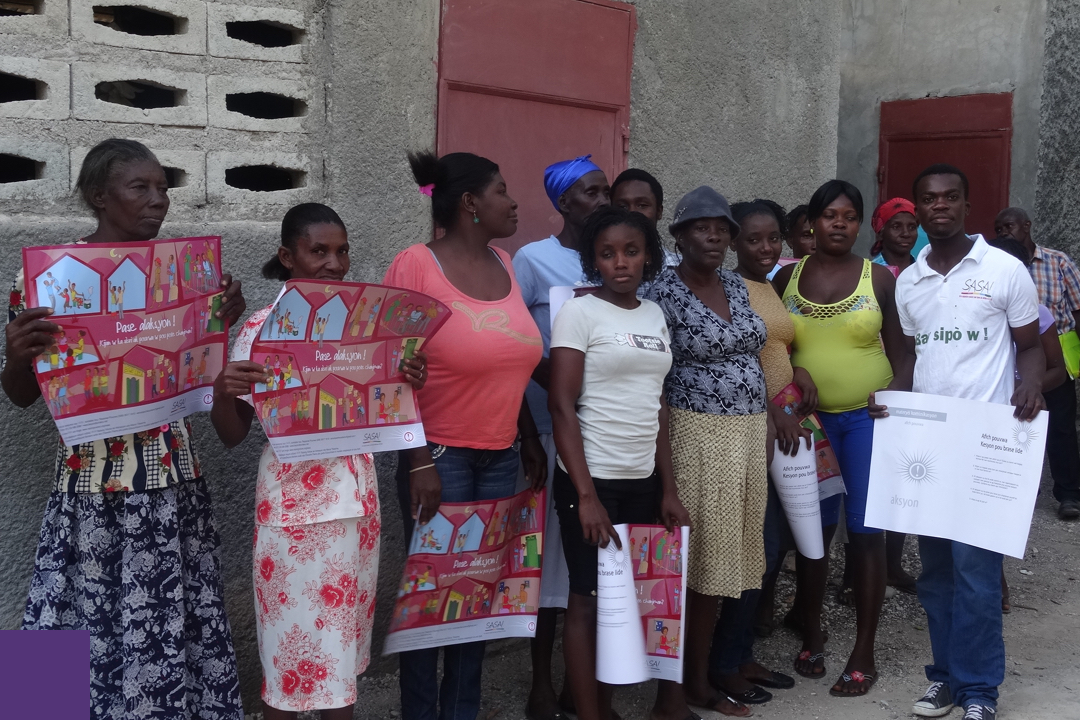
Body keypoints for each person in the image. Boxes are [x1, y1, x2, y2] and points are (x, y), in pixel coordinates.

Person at [2, 138, 246, 719]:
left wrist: (217, 329)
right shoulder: (50, 277)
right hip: (89, 486)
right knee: (66, 614)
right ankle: (38, 708)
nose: (158, 199)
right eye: (141, 187)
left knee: (165, 625)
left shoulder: (188, 276)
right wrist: (14, 356)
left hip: (172, 479)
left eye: (163, 188)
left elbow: (212, 398)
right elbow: (19, 395)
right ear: (98, 197)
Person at [211, 203, 427, 719]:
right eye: (319, 251)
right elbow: (233, 433)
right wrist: (223, 390)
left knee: (340, 662)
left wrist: (406, 378)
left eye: (342, 251)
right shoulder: (263, 329)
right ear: (288, 257)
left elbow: (384, 409)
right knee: (292, 661)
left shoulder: (365, 330)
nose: (334, 263)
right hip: (295, 519)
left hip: (356, 508)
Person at [871, 164, 1045, 720]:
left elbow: (1031, 344)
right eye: (928, 199)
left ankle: (979, 691)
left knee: (976, 574)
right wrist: (891, 400)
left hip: (987, 442)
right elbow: (912, 358)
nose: (939, 206)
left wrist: (1032, 382)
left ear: (967, 206)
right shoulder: (910, 282)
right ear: (916, 210)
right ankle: (944, 678)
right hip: (932, 446)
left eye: (950, 197)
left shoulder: (1003, 269)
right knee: (938, 573)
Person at [386, 150, 546, 720]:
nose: (514, 200)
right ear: (470, 203)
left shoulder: (506, 264)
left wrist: (527, 437)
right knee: (431, 605)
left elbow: (511, 365)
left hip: (501, 457)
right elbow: (391, 371)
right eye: (502, 189)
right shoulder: (416, 265)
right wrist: (420, 461)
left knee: (477, 599)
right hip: (441, 458)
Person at [549, 205, 691, 720]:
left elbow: (658, 404)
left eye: (631, 251)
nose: (620, 263)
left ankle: (603, 703)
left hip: (643, 480)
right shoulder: (579, 313)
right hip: (592, 480)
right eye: (607, 254)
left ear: (648, 255)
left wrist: (668, 489)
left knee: (629, 598)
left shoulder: (654, 316)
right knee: (586, 599)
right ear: (594, 261)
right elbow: (561, 405)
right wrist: (586, 497)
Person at [772, 179, 904, 697]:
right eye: (830, 215)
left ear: (859, 223)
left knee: (866, 533)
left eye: (850, 216)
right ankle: (812, 632)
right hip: (807, 426)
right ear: (812, 221)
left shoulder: (881, 278)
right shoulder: (788, 276)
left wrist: (898, 398)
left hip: (867, 423)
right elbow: (773, 348)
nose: (839, 224)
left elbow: (902, 353)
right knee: (813, 532)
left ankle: (864, 650)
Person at [644, 187, 770, 717]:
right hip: (698, 437)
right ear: (678, 236)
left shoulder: (737, 287)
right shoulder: (659, 294)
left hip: (748, 435)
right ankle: (688, 684)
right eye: (701, 226)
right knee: (699, 570)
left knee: (728, 565)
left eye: (722, 227)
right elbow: (650, 378)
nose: (714, 235)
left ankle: (706, 673)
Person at [707, 198, 817, 704]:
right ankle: (721, 662)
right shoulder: (728, 289)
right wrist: (776, 414)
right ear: (733, 241)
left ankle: (739, 653)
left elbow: (771, 349)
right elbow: (736, 359)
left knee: (770, 550)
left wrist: (797, 373)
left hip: (782, 429)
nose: (767, 247)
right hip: (751, 430)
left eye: (773, 237)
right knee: (755, 548)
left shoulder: (768, 286)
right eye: (753, 239)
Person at [512, 154, 609, 720]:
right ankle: (540, 684)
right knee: (542, 560)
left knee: (583, 565)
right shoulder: (533, 260)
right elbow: (518, 337)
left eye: (605, 191)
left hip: (603, 431)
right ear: (563, 202)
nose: (603, 200)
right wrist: (556, 380)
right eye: (592, 192)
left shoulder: (611, 256)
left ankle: (586, 682)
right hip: (551, 426)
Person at [994, 206, 1080, 520]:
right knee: (1014, 434)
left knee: (1060, 430)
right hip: (1009, 370)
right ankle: (1018, 491)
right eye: (999, 228)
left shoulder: (1057, 262)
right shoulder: (1000, 268)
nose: (1003, 231)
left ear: (1027, 226)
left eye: (1009, 226)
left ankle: (1069, 494)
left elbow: (1077, 307)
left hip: (1055, 357)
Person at [870, 197, 919, 277]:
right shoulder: (869, 274)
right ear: (880, 233)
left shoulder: (925, 272)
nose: (906, 234)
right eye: (896, 227)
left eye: (912, 227)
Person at [767, 205, 815, 280]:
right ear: (789, 240)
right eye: (807, 236)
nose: (816, 245)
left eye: (822, 235)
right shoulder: (773, 276)